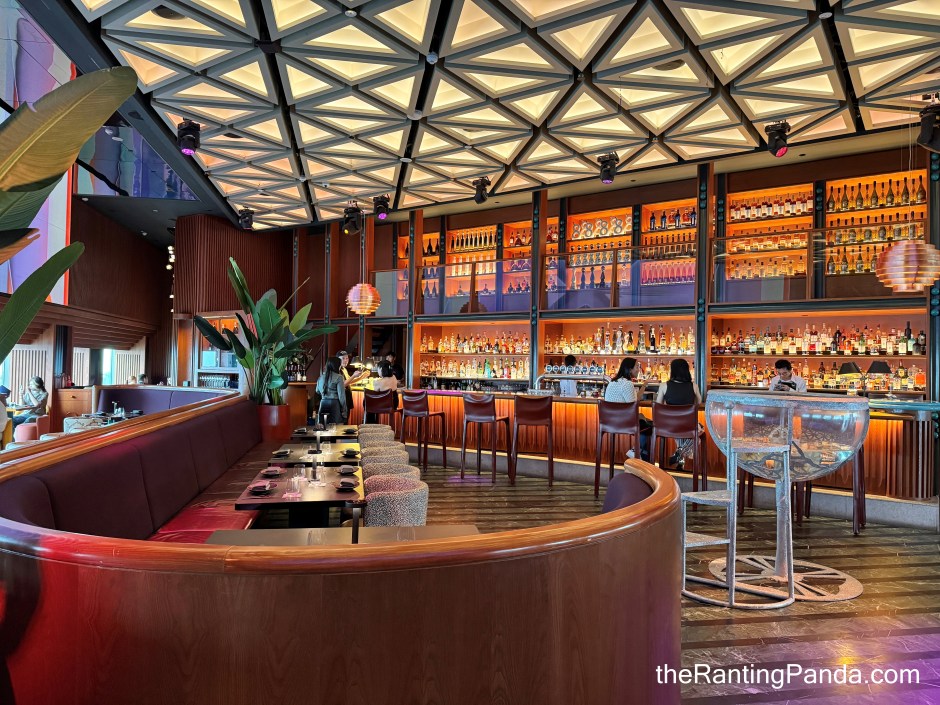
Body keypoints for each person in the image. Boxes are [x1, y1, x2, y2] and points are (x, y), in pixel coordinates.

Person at [655, 360, 702, 470]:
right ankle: (680, 454)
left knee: (679, 429)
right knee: (699, 430)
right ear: (687, 371)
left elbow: (658, 406)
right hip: (688, 425)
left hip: (669, 425)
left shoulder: (664, 385)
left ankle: (679, 457)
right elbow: (698, 403)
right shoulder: (694, 386)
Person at [604, 357, 651, 460]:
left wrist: (644, 386)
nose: (639, 369)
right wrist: (640, 416)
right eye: (637, 367)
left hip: (609, 422)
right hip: (623, 422)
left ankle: (638, 452)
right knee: (650, 427)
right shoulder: (627, 384)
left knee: (645, 422)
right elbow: (633, 406)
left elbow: (633, 400)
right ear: (630, 369)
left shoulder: (613, 382)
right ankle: (639, 454)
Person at [336, 350, 368, 423]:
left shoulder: (344, 369)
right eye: (343, 358)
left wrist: (361, 377)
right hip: (342, 398)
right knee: (342, 421)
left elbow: (349, 381)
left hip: (347, 397)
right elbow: (342, 385)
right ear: (337, 359)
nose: (346, 360)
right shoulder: (337, 370)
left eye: (347, 358)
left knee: (346, 419)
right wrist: (354, 376)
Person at [316, 357, 347, 424]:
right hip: (334, 404)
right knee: (335, 428)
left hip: (323, 403)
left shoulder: (320, 377)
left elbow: (317, 391)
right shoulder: (339, 377)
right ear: (337, 366)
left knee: (323, 427)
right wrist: (344, 411)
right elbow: (341, 396)